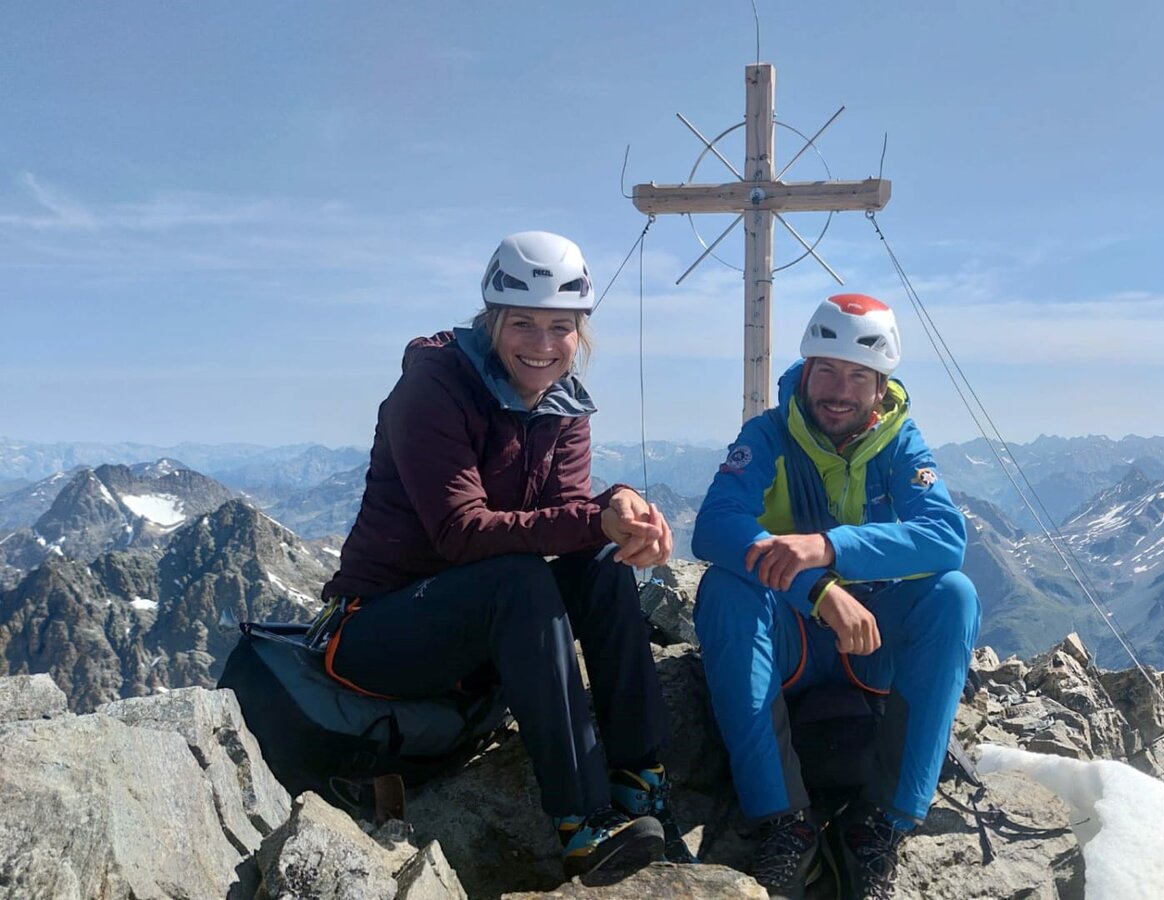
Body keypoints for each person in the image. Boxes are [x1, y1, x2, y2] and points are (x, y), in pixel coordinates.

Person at [319, 230, 691, 887]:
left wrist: (618, 507)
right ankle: (583, 822)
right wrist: (594, 516)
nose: (543, 344)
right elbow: (460, 533)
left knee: (602, 563)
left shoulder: (563, 402)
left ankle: (640, 781)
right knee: (517, 579)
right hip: (376, 632)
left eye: (561, 326)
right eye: (523, 323)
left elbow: (570, 519)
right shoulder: (433, 386)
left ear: (580, 331)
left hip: (471, 636)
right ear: (492, 321)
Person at [692, 293, 981, 899]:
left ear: (881, 387)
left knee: (953, 596)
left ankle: (884, 822)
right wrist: (818, 588)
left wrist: (828, 547)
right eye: (826, 370)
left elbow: (945, 538)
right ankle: (783, 821)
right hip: (793, 635)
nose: (838, 391)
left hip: (866, 640)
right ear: (806, 371)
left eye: (857, 376)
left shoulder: (899, 441)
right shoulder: (769, 434)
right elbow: (715, 525)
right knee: (725, 591)